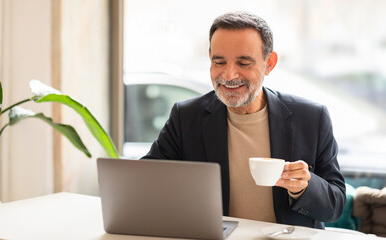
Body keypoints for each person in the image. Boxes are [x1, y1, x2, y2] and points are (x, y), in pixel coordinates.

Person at [143, 11, 346, 229]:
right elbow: (145, 182)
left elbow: (336, 205)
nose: (229, 75)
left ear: (269, 63)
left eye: (244, 63)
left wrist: (304, 187)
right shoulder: (186, 117)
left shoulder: (311, 118)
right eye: (219, 61)